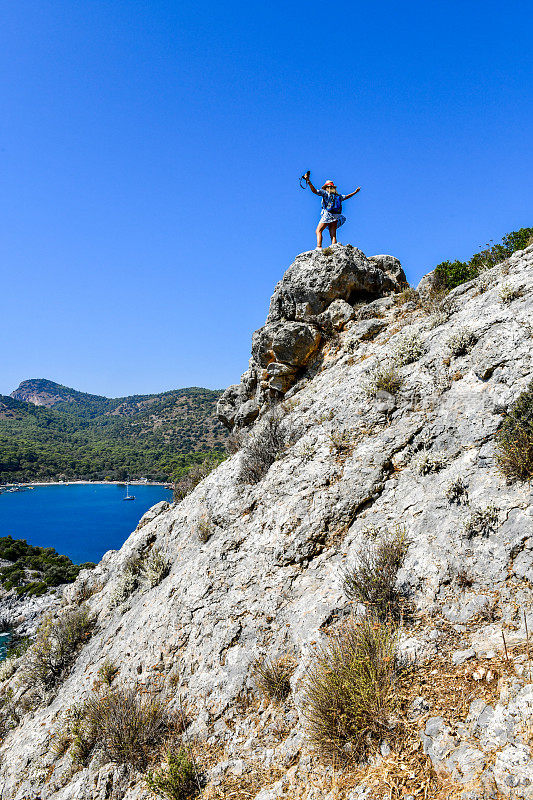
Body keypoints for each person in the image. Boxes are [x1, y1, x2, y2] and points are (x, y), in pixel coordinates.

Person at [304, 176, 361, 249]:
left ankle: (319, 247)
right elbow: (346, 197)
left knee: (318, 230)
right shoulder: (338, 196)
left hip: (328, 214)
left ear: (326, 187)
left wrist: (308, 181)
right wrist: (355, 192)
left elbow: (314, 191)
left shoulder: (325, 193)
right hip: (337, 215)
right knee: (333, 234)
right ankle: (334, 247)